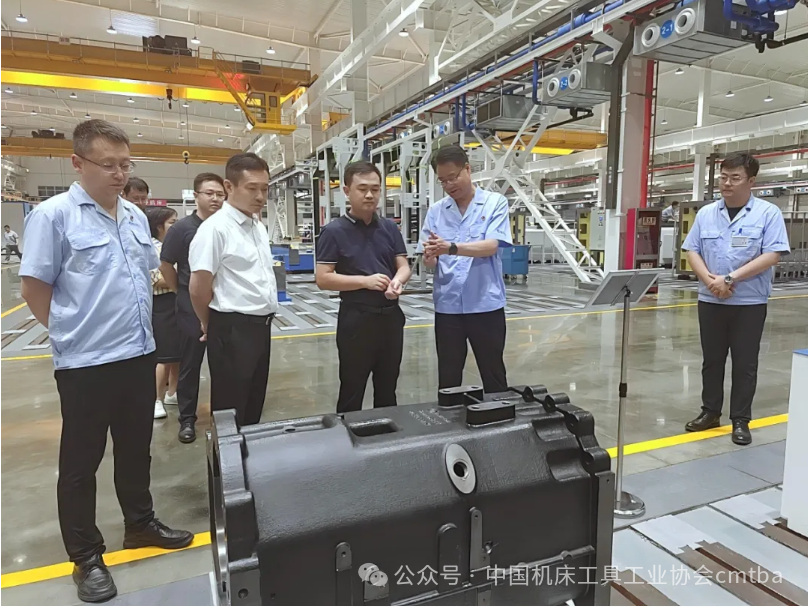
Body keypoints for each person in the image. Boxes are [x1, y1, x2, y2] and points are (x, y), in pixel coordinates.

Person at [18, 119, 192, 604]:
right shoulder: (53, 217)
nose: (119, 174)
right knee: (81, 464)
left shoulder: (134, 217)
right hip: (86, 363)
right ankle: (86, 556)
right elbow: (33, 287)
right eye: (109, 165)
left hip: (137, 354)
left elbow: (141, 278)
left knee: (136, 450)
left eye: (125, 165)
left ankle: (140, 524)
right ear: (78, 163)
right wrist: (69, 333)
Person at [682, 152, 790, 446]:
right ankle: (710, 412)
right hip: (710, 300)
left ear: (751, 181)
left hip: (748, 303)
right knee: (712, 360)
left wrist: (729, 279)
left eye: (735, 178)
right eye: (723, 177)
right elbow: (692, 250)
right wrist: (711, 282)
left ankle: (740, 419)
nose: (727, 183)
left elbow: (772, 254)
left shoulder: (767, 213)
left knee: (745, 363)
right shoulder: (706, 213)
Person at [189, 153, 278, 427]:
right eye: (252, 188)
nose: (260, 196)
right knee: (230, 410)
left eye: (264, 189)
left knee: (253, 404)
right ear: (229, 186)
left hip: (261, 327)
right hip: (232, 329)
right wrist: (209, 323)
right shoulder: (215, 230)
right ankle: (226, 456)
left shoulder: (257, 226)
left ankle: (249, 452)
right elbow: (198, 287)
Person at [315, 161, 411, 413]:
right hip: (356, 321)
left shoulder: (389, 228)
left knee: (388, 387)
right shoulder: (333, 231)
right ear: (347, 191)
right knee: (352, 388)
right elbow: (323, 278)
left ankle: (386, 433)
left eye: (375, 189)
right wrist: (365, 282)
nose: (370, 195)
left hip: (390, 319)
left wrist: (397, 281)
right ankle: (347, 435)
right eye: (362, 189)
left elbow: (403, 266)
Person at [418, 145, 513, 394]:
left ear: (468, 169)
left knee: (493, 372)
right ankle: (449, 418)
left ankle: (498, 414)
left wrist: (450, 248)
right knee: (448, 376)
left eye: (453, 177)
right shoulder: (436, 211)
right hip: (448, 306)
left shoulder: (494, 203)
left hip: (485, 305)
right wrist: (429, 258)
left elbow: (491, 246)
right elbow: (429, 262)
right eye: (443, 181)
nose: (449, 185)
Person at [159, 173, 225, 443]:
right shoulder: (182, 229)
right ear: (196, 196)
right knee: (190, 364)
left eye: (220, 194)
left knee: (224, 365)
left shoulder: (227, 225)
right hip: (190, 305)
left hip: (223, 303)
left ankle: (224, 418)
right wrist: (180, 291)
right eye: (209, 193)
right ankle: (187, 419)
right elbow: (166, 264)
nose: (215, 199)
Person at [146, 206, 180, 420]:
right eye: (172, 223)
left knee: (178, 354)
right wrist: (183, 280)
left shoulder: (172, 245)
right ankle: (156, 399)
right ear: (159, 226)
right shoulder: (151, 248)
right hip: (162, 304)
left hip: (177, 301)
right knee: (164, 356)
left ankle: (172, 393)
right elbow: (156, 279)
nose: (176, 226)